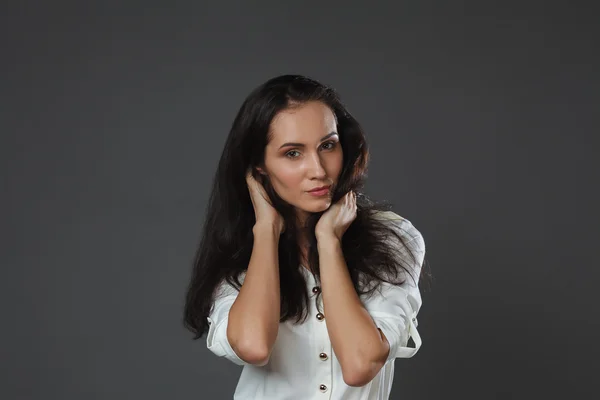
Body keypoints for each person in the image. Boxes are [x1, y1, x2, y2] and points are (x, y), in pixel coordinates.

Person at [183, 74, 427, 399]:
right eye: (293, 153)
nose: (318, 170)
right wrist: (267, 231)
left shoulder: (392, 237)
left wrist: (329, 242)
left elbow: (360, 363)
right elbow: (253, 346)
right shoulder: (239, 251)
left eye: (328, 146)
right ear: (259, 167)